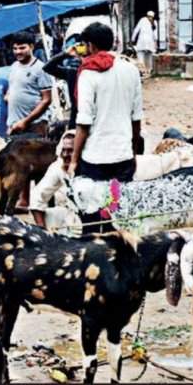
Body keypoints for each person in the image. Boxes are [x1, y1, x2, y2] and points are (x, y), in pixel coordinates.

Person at [69, 23, 144, 235]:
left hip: (95, 158)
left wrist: (74, 159)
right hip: (122, 156)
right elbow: (136, 119)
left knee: (92, 218)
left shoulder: (88, 72)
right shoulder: (131, 69)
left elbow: (83, 122)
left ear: (90, 45)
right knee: (117, 212)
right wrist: (133, 152)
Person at [6, 32, 54, 138]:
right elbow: (11, 89)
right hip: (15, 126)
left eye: (22, 48)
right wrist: (11, 122)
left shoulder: (40, 68)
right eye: (15, 48)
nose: (18, 52)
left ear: (31, 47)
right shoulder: (14, 66)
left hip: (34, 125)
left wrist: (25, 121)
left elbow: (47, 100)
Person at [30, 131, 75, 228]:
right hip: (74, 216)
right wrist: (42, 229)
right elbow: (37, 196)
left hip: (97, 219)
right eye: (64, 150)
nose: (66, 154)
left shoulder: (93, 167)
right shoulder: (59, 166)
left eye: (70, 150)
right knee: (50, 215)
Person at [43, 42, 86, 129]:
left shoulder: (99, 70)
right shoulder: (73, 72)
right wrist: (65, 54)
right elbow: (48, 67)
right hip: (77, 118)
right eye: (83, 55)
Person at [132, 11, 159, 77]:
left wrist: (132, 39)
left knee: (140, 54)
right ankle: (149, 70)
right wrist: (156, 43)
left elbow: (136, 29)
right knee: (149, 55)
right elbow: (155, 35)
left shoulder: (142, 20)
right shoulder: (155, 22)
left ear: (147, 15)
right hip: (150, 41)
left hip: (142, 40)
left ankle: (142, 70)